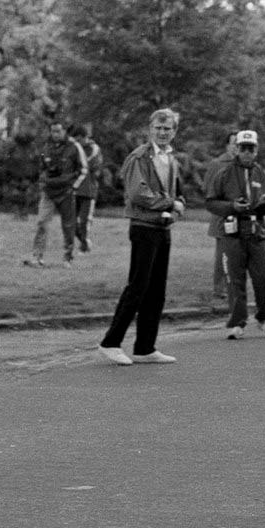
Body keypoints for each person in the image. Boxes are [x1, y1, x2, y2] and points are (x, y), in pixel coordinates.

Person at [98, 109, 186, 365]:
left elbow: (178, 191)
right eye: (158, 128)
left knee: (156, 289)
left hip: (162, 227)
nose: (162, 133)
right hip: (144, 227)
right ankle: (110, 342)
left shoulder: (172, 159)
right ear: (150, 129)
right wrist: (170, 203)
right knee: (138, 285)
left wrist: (177, 204)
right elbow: (139, 194)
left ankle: (145, 346)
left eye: (167, 128)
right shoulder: (139, 157)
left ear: (174, 131)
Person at [206, 130, 265, 339]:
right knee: (234, 279)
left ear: (256, 150)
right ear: (236, 149)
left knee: (264, 278)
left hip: (257, 232)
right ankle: (237, 322)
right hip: (232, 232)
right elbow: (211, 202)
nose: (247, 153)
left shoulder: (263, 175)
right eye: (243, 148)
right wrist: (232, 206)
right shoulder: (224, 173)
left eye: (251, 149)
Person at [24, 121, 87, 269]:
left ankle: (67, 258)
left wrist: (74, 186)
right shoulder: (46, 147)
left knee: (68, 226)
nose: (55, 134)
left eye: (58, 131)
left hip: (66, 192)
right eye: (53, 131)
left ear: (65, 131)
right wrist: (43, 180)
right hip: (48, 192)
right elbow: (41, 168)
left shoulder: (74, 147)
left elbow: (84, 169)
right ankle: (37, 257)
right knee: (42, 223)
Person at [203, 131, 238, 299]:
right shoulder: (217, 164)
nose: (237, 147)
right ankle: (219, 289)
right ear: (227, 145)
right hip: (222, 215)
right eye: (234, 143)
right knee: (222, 254)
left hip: (240, 216)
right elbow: (208, 190)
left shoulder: (245, 164)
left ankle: (233, 287)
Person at [72, 124, 103, 254]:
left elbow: (87, 164)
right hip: (74, 190)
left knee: (84, 221)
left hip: (88, 190)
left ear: (86, 137)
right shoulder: (73, 149)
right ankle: (85, 242)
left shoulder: (94, 149)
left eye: (79, 139)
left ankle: (84, 246)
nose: (77, 142)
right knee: (71, 221)